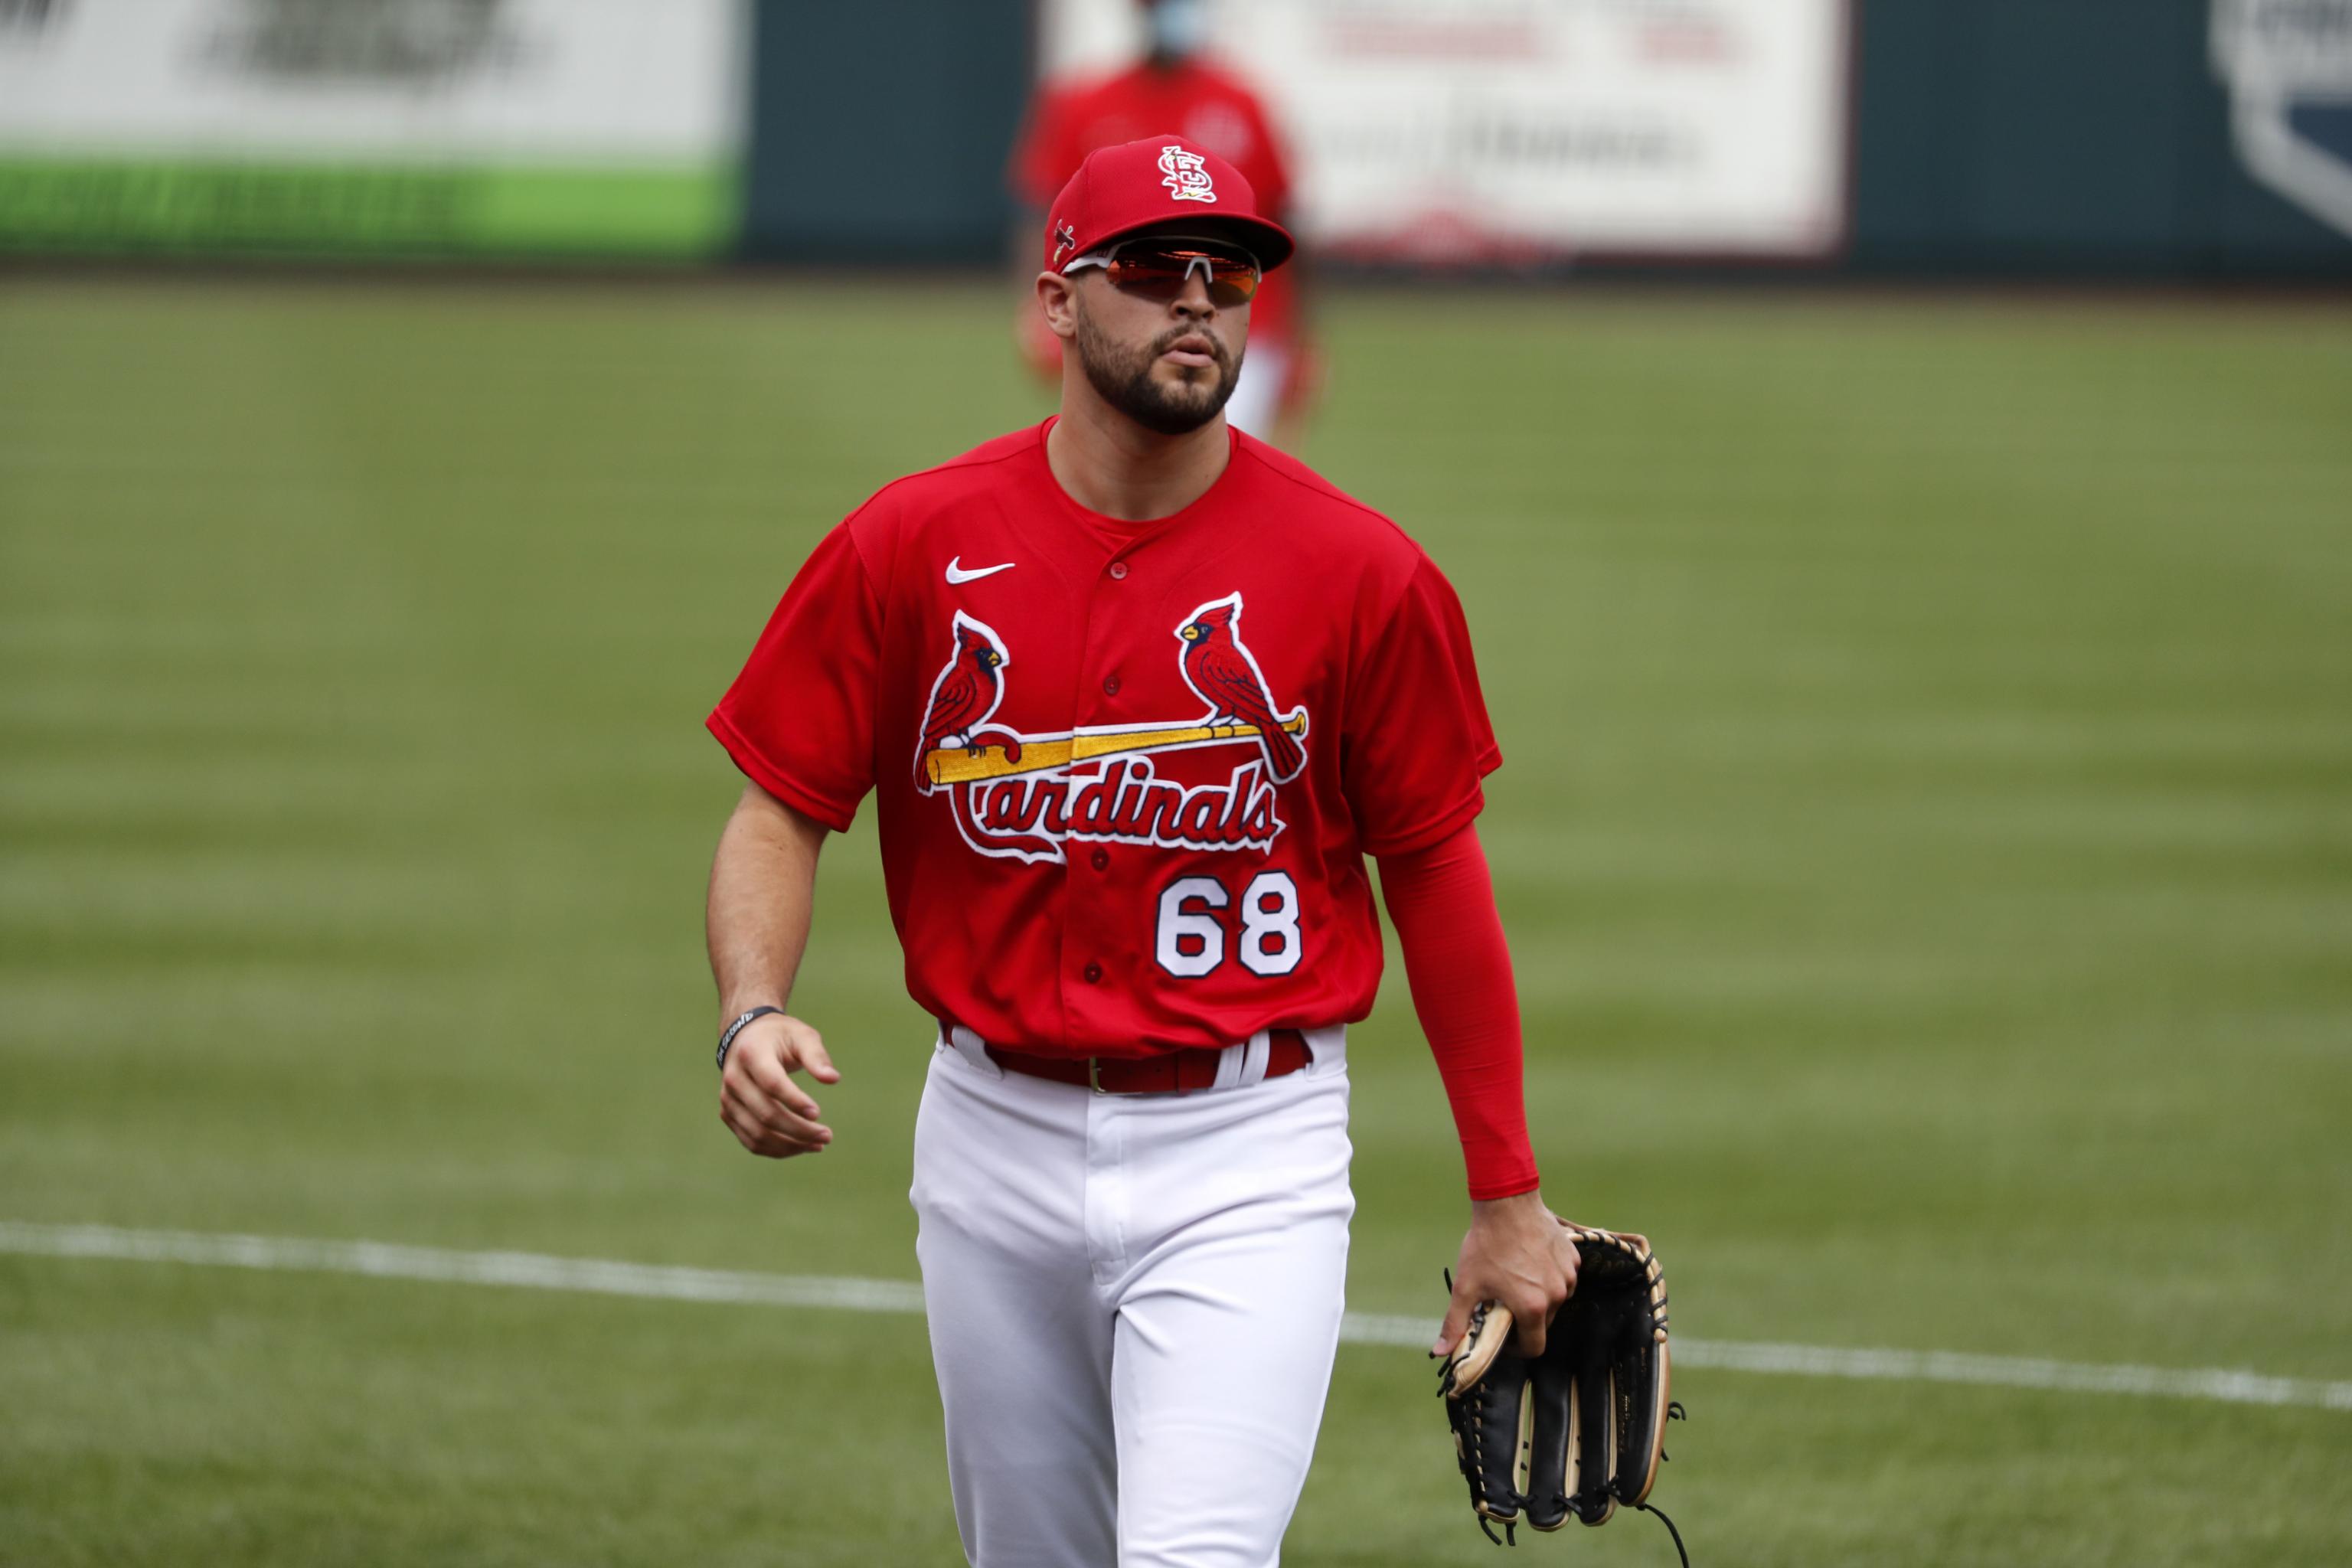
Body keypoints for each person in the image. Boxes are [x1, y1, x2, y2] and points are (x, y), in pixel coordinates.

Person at [704, 134, 1576, 1568]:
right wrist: (752, 1001)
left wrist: (1505, 1187)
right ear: (1057, 298)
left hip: (1250, 1150)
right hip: (989, 1139)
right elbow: (779, 801)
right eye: (1154, 270)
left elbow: (1435, 870)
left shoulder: (1362, 572)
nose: (1197, 302)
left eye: (1225, 277)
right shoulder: (911, 541)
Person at [1008, 0, 1318, 446]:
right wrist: (1035, 309)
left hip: (1239, 316)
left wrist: (1302, 340)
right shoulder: (1085, 103)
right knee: (1127, 462)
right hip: (1124, 313)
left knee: (1217, 471)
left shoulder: (1241, 103)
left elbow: (1285, 222)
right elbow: (1047, 214)